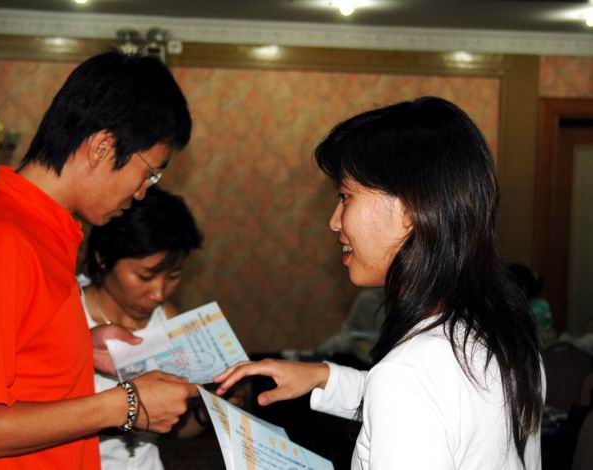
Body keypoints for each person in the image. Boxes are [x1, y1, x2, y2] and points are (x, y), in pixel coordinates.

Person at [215, 97, 544, 469]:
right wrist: (324, 377)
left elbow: (409, 391)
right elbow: (433, 405)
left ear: (409, 210)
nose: (334, 221)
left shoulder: (408, 375)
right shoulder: (504, 333)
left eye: (345, 197)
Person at [0, 51, 199, 469]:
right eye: (148, 172)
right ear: (102, 148)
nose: (142, 191)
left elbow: (16, 366)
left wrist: (78, 349)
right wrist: (125, 404)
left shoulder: (44, 233)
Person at [79, 186, 206, 469]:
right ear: (102, 258)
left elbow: (174, 429)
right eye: (145, 276)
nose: (159, 293)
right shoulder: (66, 311)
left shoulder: (168, 320)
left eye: (173, 276)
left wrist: (209, 407)